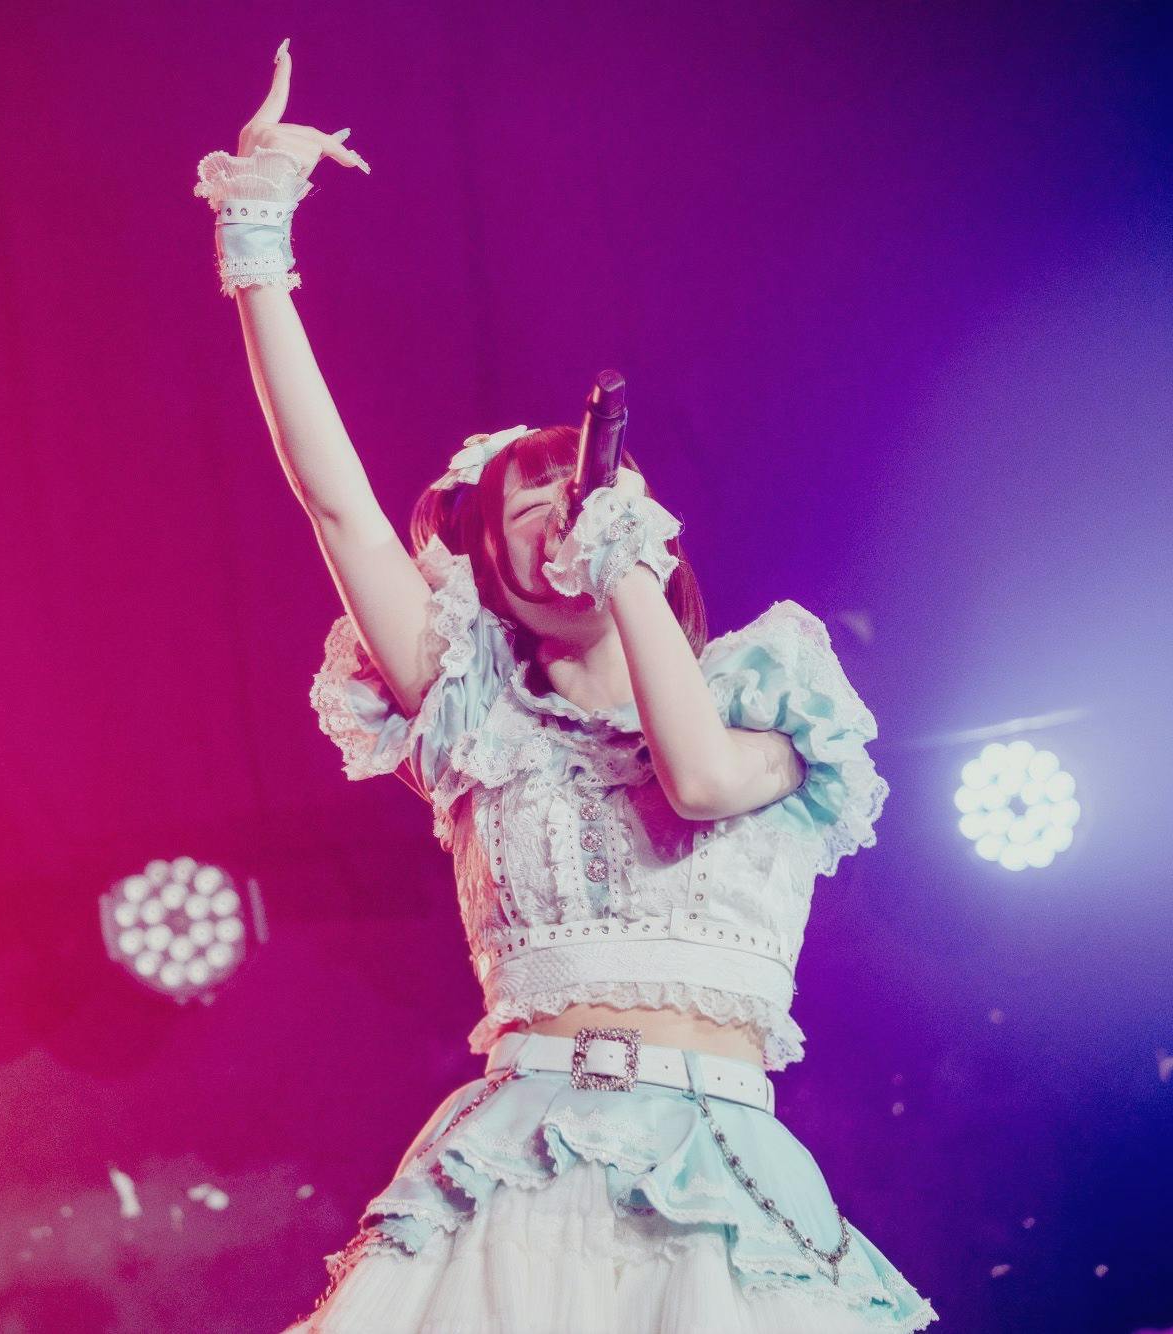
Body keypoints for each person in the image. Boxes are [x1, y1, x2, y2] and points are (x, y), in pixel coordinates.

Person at [196, 39, 939, 1333]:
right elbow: (337, 503)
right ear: (488, 574)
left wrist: (629, 565)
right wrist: (257, 236)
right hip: (521, 1163)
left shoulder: (774, 701)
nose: (557, 513)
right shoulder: (475, 715)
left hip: (716, 1170)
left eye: (575, 488)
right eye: (524, 508)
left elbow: (698, 779)